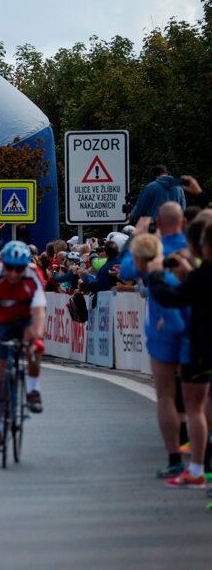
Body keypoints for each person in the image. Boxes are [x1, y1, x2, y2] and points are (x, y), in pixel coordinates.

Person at [119, 203, 192, 479]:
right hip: (193, 328)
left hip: (163, 327)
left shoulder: (153, 249)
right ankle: (201, 458)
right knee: (197, 399)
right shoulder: (192, 246)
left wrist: (138, 234)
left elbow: (126, 270)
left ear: (159, 222)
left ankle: (174, 457)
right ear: (183, 221)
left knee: (165, 397)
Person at [143, 227, 211, 490]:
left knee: (195, 409)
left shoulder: (202, 275)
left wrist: (157, 273)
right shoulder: (200, 274)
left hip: (201, 348)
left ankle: (196, 468)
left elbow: (171, 298)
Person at [0, 240, 46, 453]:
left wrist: (38, 338)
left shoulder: (34, 275)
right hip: (2, 319)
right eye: (10, 268)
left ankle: (33, 389)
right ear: (2, 264)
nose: (14, 273)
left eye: (19, 268)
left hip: (26, 316)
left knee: (33, 343)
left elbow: (39, 313)